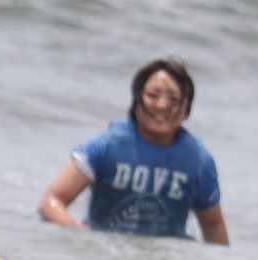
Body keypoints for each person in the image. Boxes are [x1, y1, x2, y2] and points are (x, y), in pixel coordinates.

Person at [39, 58, 229, 245]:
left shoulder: (198, 161)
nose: (162, 106)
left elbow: (213, 226)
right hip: (104, 252)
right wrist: (79, 236)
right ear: (137, 98)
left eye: (174, 100)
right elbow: (52, 201)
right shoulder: (105, 147)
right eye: (153, 95)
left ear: (186, 108)